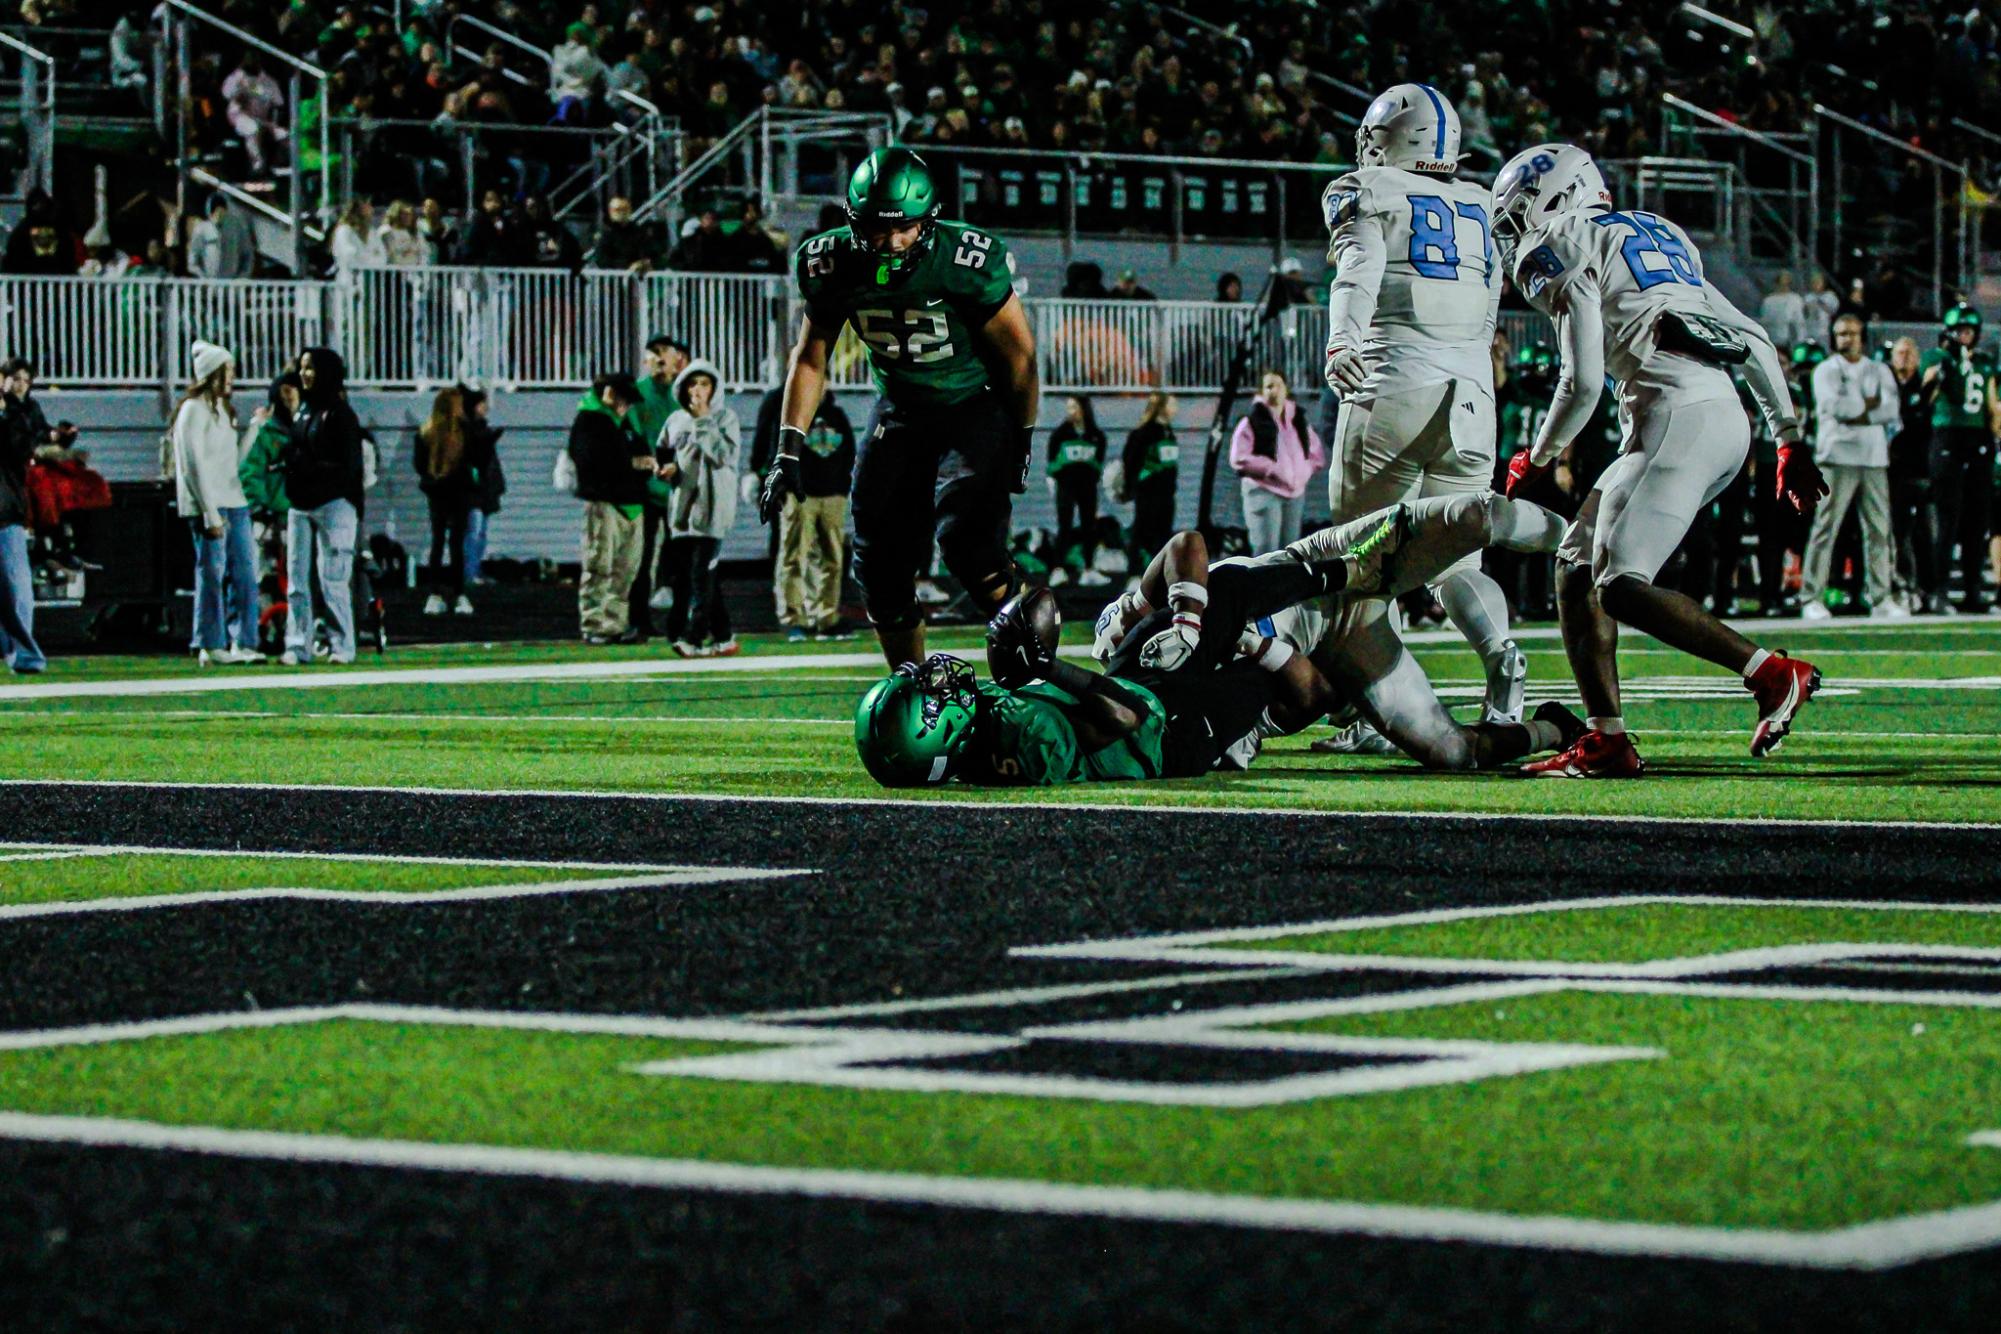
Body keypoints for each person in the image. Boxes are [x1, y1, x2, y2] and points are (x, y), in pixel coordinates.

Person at [1493, 142, 1821, 776]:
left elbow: (1583, 379)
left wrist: (1537, 458)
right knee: (1576, 566)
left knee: (1620, 585)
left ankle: (1771, 673)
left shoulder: (1559, 244)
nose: (1515, 238)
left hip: (1677, 417)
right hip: (1711, 416)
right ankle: (1606, 738)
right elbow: (1749, 335)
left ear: (1556, 200)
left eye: (1517, 219)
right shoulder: (1656, 232)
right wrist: (1787, 437)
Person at [757, 147, 1039, 669]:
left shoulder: (964, 259)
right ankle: (910, 686)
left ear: (928, 220)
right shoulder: (829, 261)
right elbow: (811, 356)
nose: (890, 242)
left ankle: (1032, 665)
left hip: (972, 404)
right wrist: (788, 451)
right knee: (878, 565)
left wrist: (1020, 435)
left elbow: (1019, 357)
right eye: (875, 229)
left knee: (968, 545)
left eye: (904, 228)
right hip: (902, 408)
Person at [1090, 493, 1581, 772]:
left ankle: (1586, 540)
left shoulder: (1148, 655)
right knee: (1453, 753)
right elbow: (1314, 694)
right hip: (1345, 636)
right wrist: (1251, 644)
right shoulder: (1229, 722)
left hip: (1315, 566)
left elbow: (1187, 550)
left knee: (1472, 518)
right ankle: (1554, 728)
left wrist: (1171, 616)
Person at [1321, 84, 1527, 732]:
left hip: (1393, 382)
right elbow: (1492, 306)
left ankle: (1372, 714)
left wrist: (1341, 341)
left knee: (1358, 554)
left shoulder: (1366, 187)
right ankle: (1501, 664)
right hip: (1472, 397)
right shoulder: (1481, 203)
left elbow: (1358, 267)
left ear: (1387, 140)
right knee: (1457, 563)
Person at [1801, 315, 1901, 619]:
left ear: (1862, 336)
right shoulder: (1825, 370)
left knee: (1879, 530)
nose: (1847, 339)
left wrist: (1858, 411)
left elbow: (1891, 410)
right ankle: (1811, 597)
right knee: (1825, 528)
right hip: (1836, 456)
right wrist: (1868, 407)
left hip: (1872, 457)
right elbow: (1834, 408)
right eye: (1841, 334)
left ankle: (1881, 597)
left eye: (1852, 334)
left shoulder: (1879, 369)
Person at [171, 341, 262, 666]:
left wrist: (253, 430)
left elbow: (232, 462)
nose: (232, 377)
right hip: (209, 505)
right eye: (227, 370)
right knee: (212, 573)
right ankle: (210, 642)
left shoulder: (223, 411)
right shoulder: (192, 410)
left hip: (234, 501)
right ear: (211, 373)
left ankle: (244, 640)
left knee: (246, 573)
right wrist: (210, 512)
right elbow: (192, 464)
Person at [753, 382, 855, 640]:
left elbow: (850, 452)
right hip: (800, 496)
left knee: (832, 558)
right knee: (793, 556)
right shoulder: (792, 415)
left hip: (833, 495)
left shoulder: (838, 415)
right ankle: (793, 618)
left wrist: (844, 486)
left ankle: (826, 617)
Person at [282, 347, 365, 665]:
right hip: (301, 504)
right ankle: (297, 644)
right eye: (303, 367)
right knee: (296, 581)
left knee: (333, 577)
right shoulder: (303, 410)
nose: (305, 374)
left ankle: (342, 645)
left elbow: (348, 468)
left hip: (334, 504)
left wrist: (309, 469)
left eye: (311, 368)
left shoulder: (342, 414)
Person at [661, 359, 743, 657]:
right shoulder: (674, 420)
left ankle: (693, 638)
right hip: (683, 511)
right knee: (696, 577)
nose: (697, 390)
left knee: (700, 574)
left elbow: (723, 456)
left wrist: (704, 419)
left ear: (714, 388)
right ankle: (724, 636)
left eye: (704, 384)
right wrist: (665, 468)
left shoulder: (725, 419)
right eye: (692, 384)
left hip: (713, 509)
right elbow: (664, 451)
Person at [1921, 304, 1999, 613]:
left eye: (1969, 330)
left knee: (1977, 519)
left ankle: (1973, 589)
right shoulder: (1938, 358)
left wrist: (1995, 435)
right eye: (1960, 330)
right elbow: (1927, 390)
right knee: (1948, 516)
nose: (1965, 335)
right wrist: (1949, 363)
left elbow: (1991, 404)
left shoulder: (1985, 361)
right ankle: (1939, 591)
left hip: (1978, 439)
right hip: (1947, 435)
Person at [569, 371, 655, 645]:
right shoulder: (589, 421)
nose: (627, 406)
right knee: (599, 566)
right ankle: (594, 624)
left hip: (632, 502)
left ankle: (615, 623)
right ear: (608, 394)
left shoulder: (623, 423)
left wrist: (642, 464)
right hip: (604, 503)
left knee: (626, 570)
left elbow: (641, 453)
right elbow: (594, 462)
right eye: (624, 400)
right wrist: (633, 464)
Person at [628, 334, 690, 634]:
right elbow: (636, 439)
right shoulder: (638, 394)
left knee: (683, 557)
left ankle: (681, 619)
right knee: (642, 557)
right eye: (655, 353)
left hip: (678, 486)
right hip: (646, 488)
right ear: (646, 359)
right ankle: (639, 620)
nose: (661, 358)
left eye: (667, 352)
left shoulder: (684, 394)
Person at [1231, 368, 1325, 553]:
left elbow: (1316, 453)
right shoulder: (1251, 422)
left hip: (1295, 494)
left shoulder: (1298, 421)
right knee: (1266, 551)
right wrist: (1272, 469)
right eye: (1268, 386)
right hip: (1264, 492)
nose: (1274, 390)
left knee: (1289, 551)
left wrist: (1304, 471)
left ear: (1286, 390)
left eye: (1278, 385)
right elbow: (1239, 458)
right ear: (1261, 392)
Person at [1885, 337, 1941, 613]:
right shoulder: (1886, 384)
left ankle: (1929, 589)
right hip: (1893, 470)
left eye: (1909, 352)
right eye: (1900, 352)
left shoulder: (1926, 384)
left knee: (1926, 534)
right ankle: (1904, 587)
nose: (1904, 357)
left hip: (1923, 469)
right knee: (1898, 534)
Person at [413, 386, 477, 617]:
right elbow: (421, 464)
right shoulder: (448, 431)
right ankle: (449, 594)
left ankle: (445, 594)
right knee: (448, 544)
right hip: (449, 493)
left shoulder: (434, 431)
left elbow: (420, 466)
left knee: (446, 543)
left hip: (445, 492)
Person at [0, 368, 47, 674]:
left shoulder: (15, 416)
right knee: (14, 587)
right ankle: (21, 652)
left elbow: (21, 450)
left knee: (15, 589)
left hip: (5, 511)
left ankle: (25, 653)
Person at [1046, 395, 1108, 587]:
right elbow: (1052, 461)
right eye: (1068, 407)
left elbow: (1099, 461)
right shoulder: (1060, 434)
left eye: (1074, 407)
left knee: (1089, 525)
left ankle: (1089, 569)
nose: (1070, 411)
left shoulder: (1096, 435)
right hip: (1066, 486)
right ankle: (1058, 569)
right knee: (1064, 525)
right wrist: (1054, 480)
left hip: (1088, 486)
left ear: (1083, 409)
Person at [1120, 391, 1180, 575]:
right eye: (1172, 404)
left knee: (1163, 534)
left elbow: (1171, 465)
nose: (1176, 409)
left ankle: (1159, 573)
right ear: (1162, 408)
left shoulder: (1169, 433)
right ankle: (1134, 573)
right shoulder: (1144, 432)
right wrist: (1131, 487)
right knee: (1141, 530)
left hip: (1167, 493)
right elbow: (1130, 460)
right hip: (1148, 491)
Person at [460, 386, 504, 588]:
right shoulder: (469, 430)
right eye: (482, 403)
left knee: (480, 533)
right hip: (474, 489)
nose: (485, 407)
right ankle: (469, 574)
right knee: (475, 532)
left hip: (484, 488)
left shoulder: (482, 428)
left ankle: (474, 570)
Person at [223, 53, 288, 176]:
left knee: (284, 134)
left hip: (262, 119)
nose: (252, 62)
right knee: (252, 128)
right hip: (239, 117)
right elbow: (226, 95)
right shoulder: (236, 77)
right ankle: (257, 165)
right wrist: (240, 87)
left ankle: (279, 166)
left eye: (254, 59)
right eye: (249, 59)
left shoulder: (269, 81)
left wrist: (274, 123)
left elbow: (279, 104)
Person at [595, 196, 660, 273]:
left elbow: (651, 254)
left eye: (624, 209)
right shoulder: (606, 235)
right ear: (610, 212)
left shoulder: (639, 232)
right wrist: (628, 267)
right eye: (617, 210)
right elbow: (602, 261)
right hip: (614, 280)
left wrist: (643, 263)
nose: (621, 213)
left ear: (630, 210)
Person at [1758, 271, 1806, 349]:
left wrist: (1800, 342)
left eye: (1787, 283)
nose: (1784, 285)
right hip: (1772, 340)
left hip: (1789, 341)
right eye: (1781, 282)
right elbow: (1765, 322)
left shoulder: (1795, 299)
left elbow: (1799, 323)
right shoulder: (1768, 300)